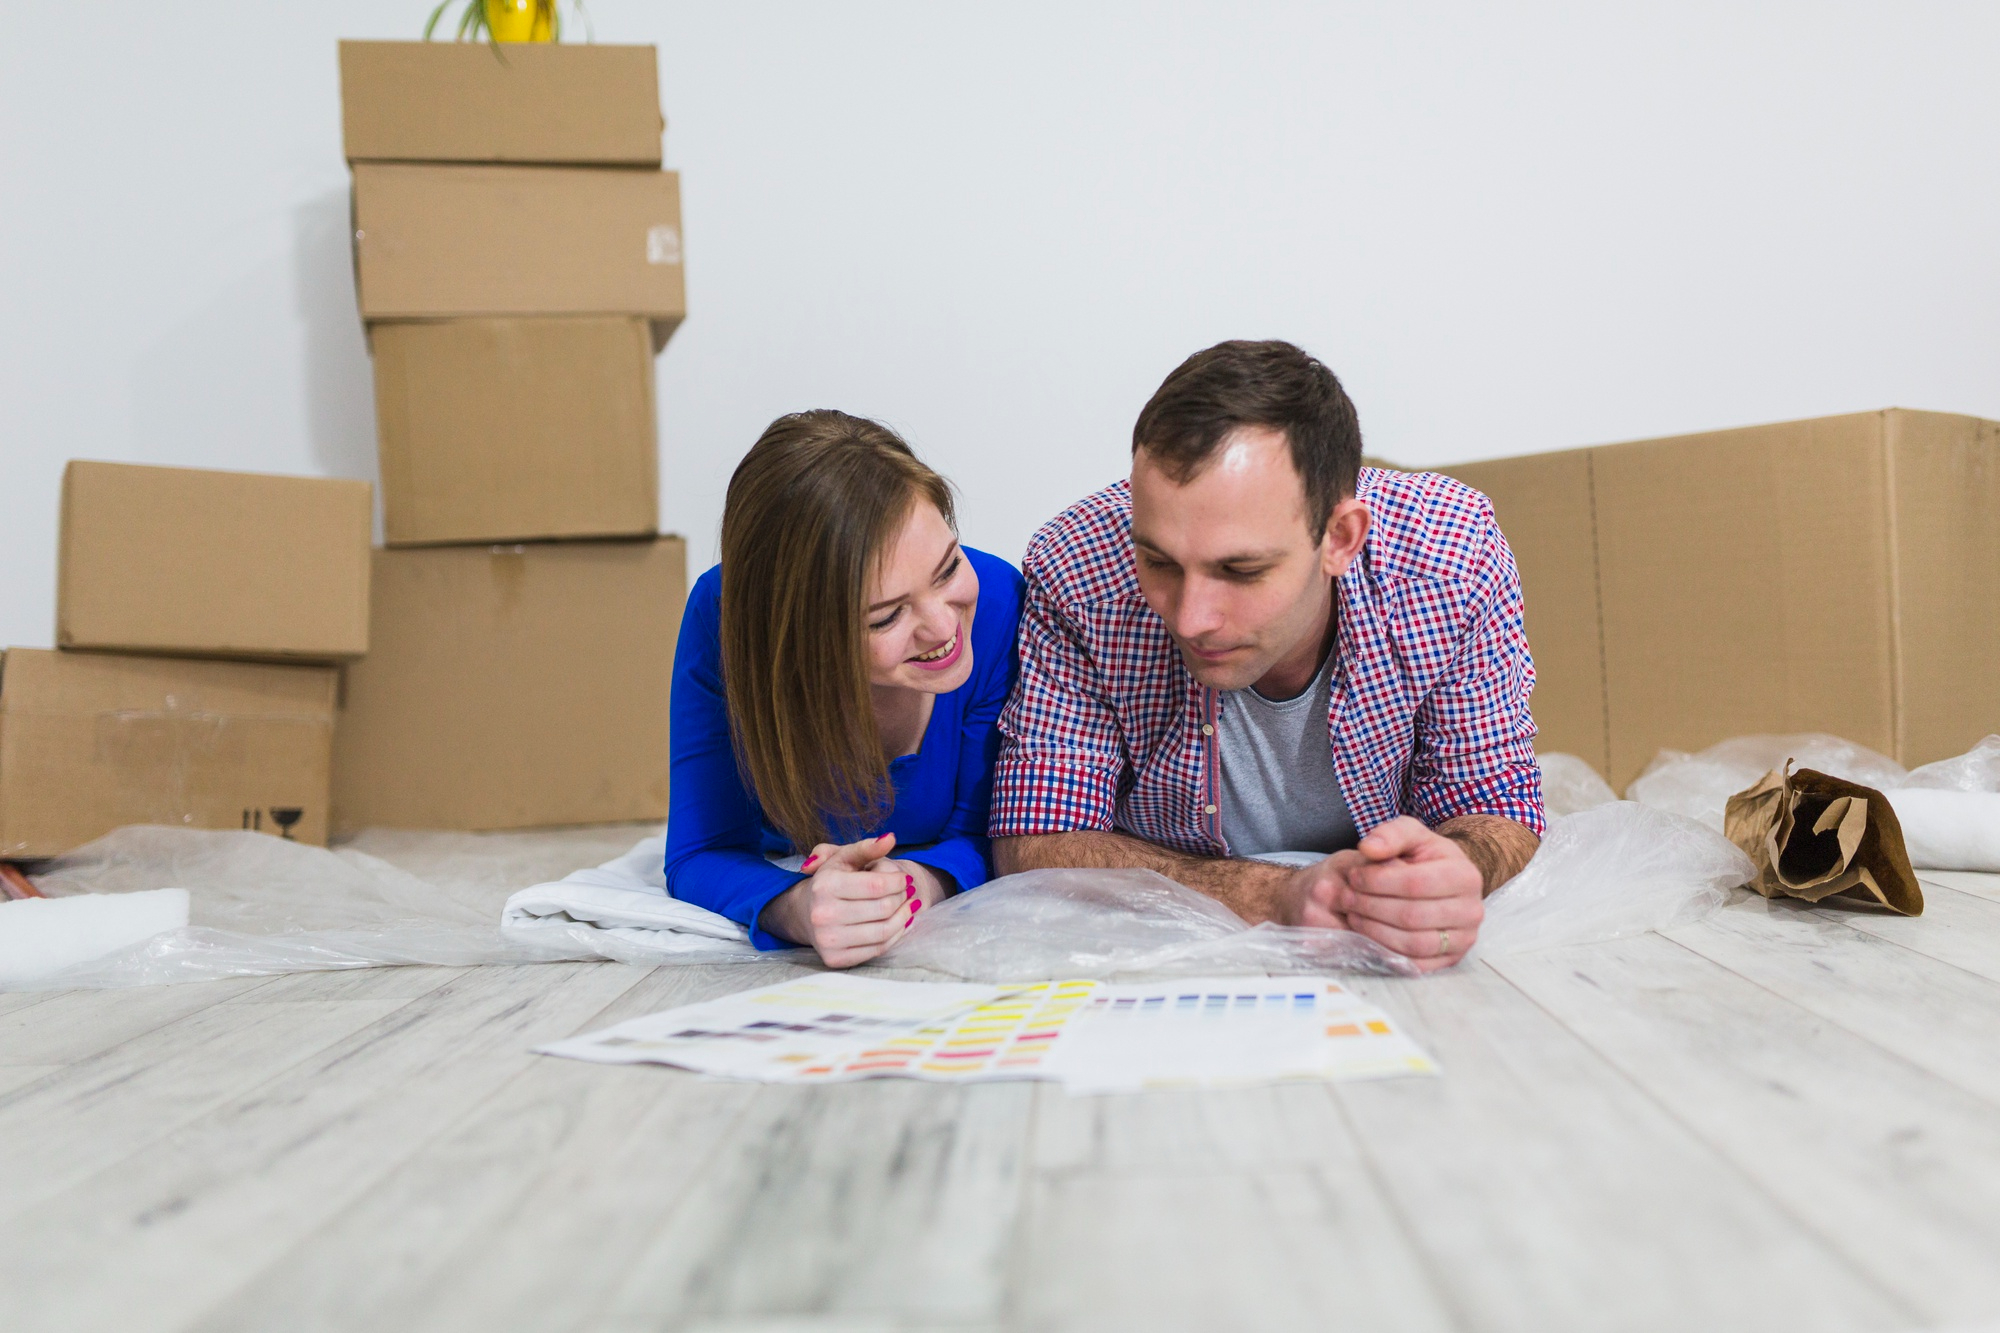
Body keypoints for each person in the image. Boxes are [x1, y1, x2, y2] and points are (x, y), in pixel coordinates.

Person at [988, 340, 1544, 970]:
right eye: (1158, 562)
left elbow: (1494, 802)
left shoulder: (1448, 557)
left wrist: (1454, 870)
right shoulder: (1081, 567)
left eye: (1241, 570)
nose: (1191, 618)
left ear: (1339, 539)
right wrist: (1277, 895)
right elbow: (1036, 838)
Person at [665, 410, 1024, 967]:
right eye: (885, 617)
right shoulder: (722, 617)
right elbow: (701, 848)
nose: (944, 627)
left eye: (948, 567)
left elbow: (991, 833)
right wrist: (800, 905)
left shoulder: (1001, 602)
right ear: (801, 636)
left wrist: (918, 882)